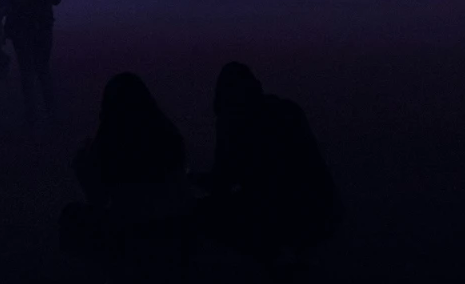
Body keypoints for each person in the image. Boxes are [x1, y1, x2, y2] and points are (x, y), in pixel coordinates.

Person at [197, 62, 339, 273]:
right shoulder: (287, 111)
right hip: (320, 207)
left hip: (280, 213)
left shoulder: (233, 122)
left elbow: (223, 180)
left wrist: (189, 179)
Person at [61, 73, 189, 268]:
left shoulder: (110, 144)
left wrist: (83, 165)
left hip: (132, 233)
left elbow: (99, 199)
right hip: (178, 228)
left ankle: (102, 276)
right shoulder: (168, 135)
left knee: (71, 216)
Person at [8, 0, 61, 126]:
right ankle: (51, 111)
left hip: (21, 24)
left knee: (26, 71)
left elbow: (9, 1)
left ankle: (31, 114)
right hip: (42, 24)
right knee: (43, 69)